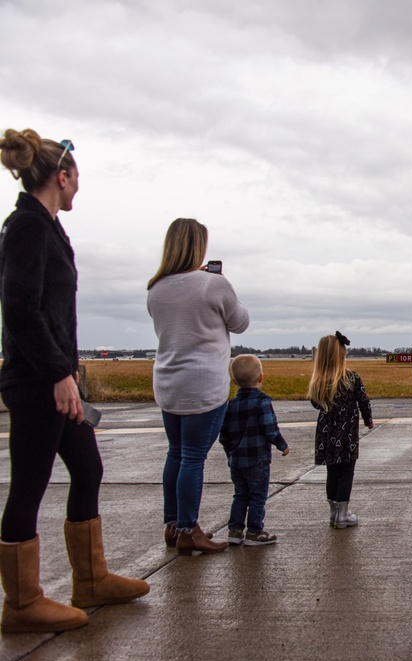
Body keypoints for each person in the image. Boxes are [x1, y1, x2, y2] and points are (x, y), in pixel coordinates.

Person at [0, 129, 149, 633]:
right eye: (77, 177)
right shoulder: (27, 227)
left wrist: (68, 372)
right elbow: (19, 309)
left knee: (87, 470)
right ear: (61, 176)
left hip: (57, 379)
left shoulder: (47, 226)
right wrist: (59, 373)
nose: (79, 186)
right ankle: (21, 605)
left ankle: (91, 580)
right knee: (29, 486)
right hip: (37, 381)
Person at [147, 218, 249, 556]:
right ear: (197, 246)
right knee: (193, 458)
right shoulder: (212, 285)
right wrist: (217, 281)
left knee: (175, 454)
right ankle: (190, 530)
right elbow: (240, 322)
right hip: (202, 384)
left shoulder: (156, 288)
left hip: (168, 381)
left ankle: (173, 524)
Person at [219, 355, 290, 547]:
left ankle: (234, 530)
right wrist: (281, 444)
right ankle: (255, 531)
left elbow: (223, 434)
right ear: (261, 377)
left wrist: (230, 452)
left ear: (234, 381)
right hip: (257, 459)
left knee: (240, 494)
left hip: (236, 460)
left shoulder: (230, 405)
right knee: (257, 496)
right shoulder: (262, 402)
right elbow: (270, 428)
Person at [307, 332, 373, 529]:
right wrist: (368, 419)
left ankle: (334, 513)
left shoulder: (319, 382)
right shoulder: (352, 378)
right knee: (347, 472)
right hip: (347, 435)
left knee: (332, 472)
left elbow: (315, 404)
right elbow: (363, 400)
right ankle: (343, 514)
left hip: (327, 434)